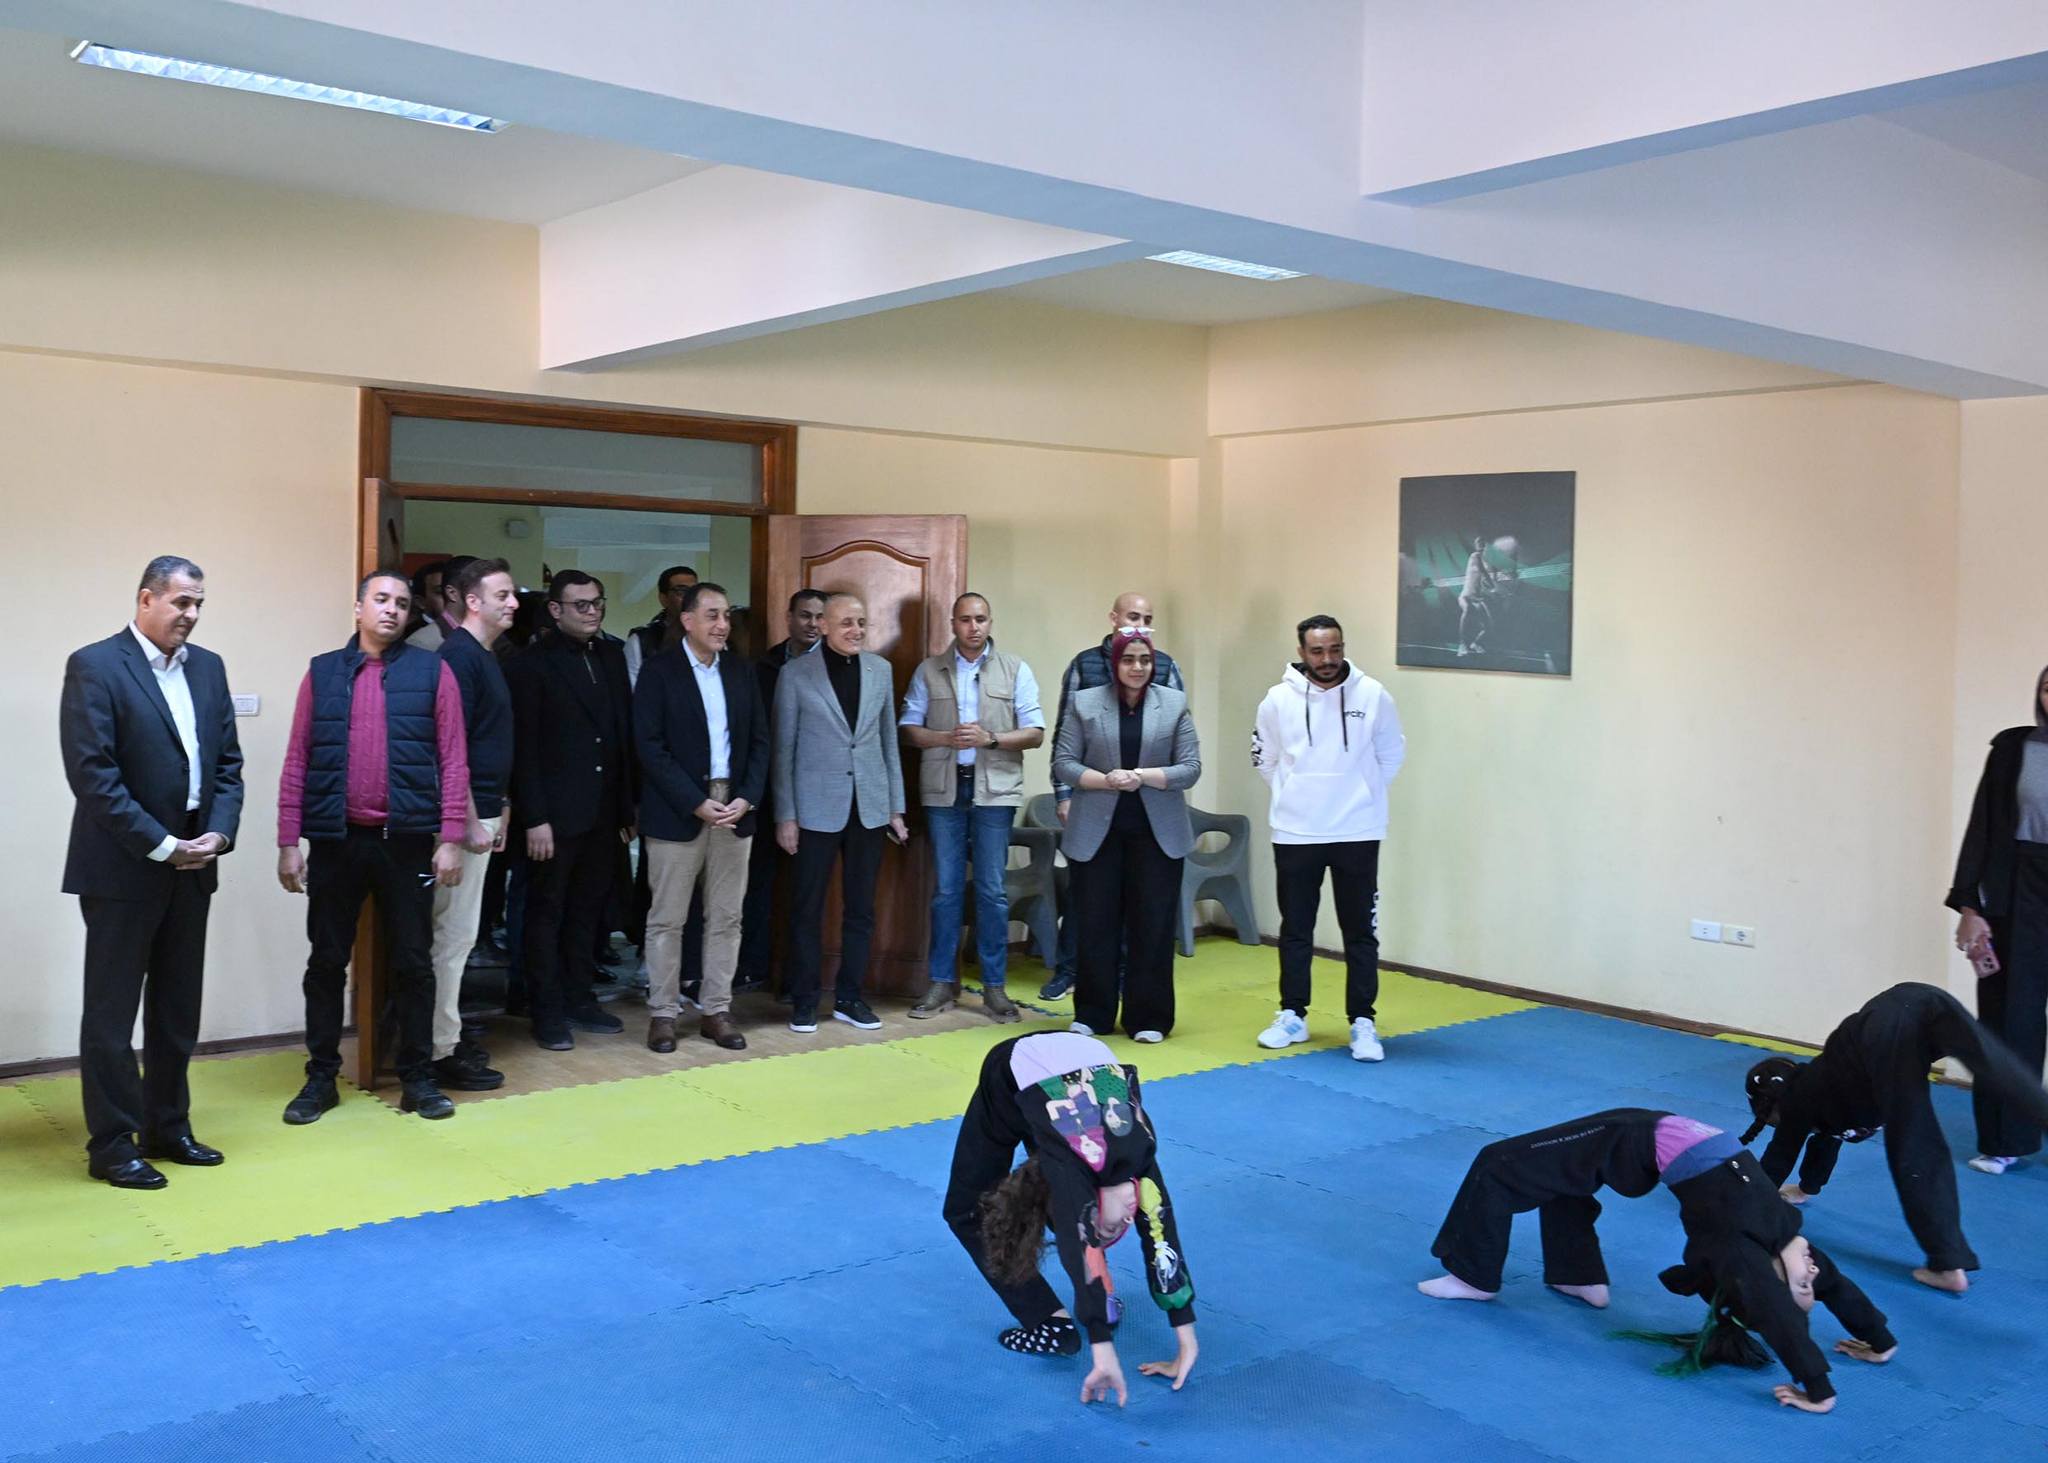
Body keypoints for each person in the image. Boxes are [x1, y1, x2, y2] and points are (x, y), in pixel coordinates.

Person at [1420, 1108, 1899, 1414]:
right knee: (1561, 1173)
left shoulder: (1742, 1256)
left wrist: (1818, 1390)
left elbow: (1778, 1317)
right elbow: (1837, 1288)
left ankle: (1473, 1276)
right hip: (1654, 1140)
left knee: (1497, 1162)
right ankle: (1579, 1276)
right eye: (1812, 1281)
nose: (1811, 1273)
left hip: (1633, 1138)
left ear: (1769, 1282)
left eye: (1802, 1286)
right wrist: (1879, 1341)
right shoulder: (1793, 1246)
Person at [61, 556, 245, 1189]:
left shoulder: (209, 668)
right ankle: (113, 1145)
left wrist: (219, 833)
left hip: (195, 862)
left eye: (199, 604)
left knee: (176, 1008)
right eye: (181, 602)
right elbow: (94, 775)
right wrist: (162, 845)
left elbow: (228, 766)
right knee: (111, 1016)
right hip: (123, 866)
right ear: (146, 599)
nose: (191, 615)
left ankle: (168, 1126)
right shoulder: (95, 665)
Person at [276, 571, 470, 1123]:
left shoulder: (433, 672)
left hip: (405, 844)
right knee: (325, 962)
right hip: (336, 841)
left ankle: (418, 1078)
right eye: (381, 599)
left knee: (413, 962)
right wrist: (288, 840)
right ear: (358, 607)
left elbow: (454, 758)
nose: (391, 610)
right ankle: (320, 1077)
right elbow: (298, 758)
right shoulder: (322, 673)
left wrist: (451, 837)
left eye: (402, 603)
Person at [1740, 981, 2048, 1292]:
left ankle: (1947, 1264)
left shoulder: (1798, 1098)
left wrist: (1745, 1208)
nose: (1776, 1125)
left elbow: (1780, 1157)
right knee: (2001, 1069)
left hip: (1885, 1026)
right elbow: (1825, 1142)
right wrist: (1806, 1189)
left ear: (1773, 1103)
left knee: (1915, 1143)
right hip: (1923, 1000)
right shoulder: (1825, 1096)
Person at [946, 1030, 1198, 1404]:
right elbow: (1076, 1237)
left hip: (1078, 1070)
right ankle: (1049, 1322)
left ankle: (1101, 1296)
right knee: (967, 1210)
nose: (1127, 1222)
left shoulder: (1140, 1162)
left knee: (1070, 1205)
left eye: (1119, 1225)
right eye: (1110, 1228)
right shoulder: (1077, 1175)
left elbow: (1162, 1237)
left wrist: (1185, 1336)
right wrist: (1101, 1347)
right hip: (1014, 1070)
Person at [1251, 615, 1407, 1061]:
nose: (1327, 659)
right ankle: (1292, 1015)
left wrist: (1359, 796)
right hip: (1296, 832)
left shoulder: (1373, 694)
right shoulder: (1277, 700)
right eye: (1317, 651)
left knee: (1360, 932)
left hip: (1358, 831)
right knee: (1296, 929)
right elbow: (1265, 758)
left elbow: (1391, 755)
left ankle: (1362, 1022)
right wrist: (1297, 797)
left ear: (1343, 648)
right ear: (1302, 652)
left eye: (1335, 649)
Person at [634, 581, 769, 1052]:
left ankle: (716, 1009)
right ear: (687, 620)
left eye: (726, 615)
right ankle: (663, 1012)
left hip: (734, 808)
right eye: (712, 615)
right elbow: (649, 746)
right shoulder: (659, 671)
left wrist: (747, 797)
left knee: (727, 917)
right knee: (667, 919)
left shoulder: (741, 671)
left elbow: (760, 742)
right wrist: (694, 801)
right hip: (679, 809)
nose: (722, 624)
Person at [505, 570, 636, 1051]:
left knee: (588, 910)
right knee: (546, 914)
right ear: (556, 610)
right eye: (582, 604)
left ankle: (580, 997)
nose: (593, 611)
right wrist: (534, 818)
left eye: (598, 602)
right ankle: (545, 1009)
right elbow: (524, 749)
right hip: (552, 817)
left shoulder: (611, 656)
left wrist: (627, 808)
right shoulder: (530, 665)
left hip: (602, 812)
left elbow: (621, 735)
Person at [1050, 628, 1200, 1043]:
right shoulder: (1085, 703)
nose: (1138, 667)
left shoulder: (1173, 703)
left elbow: (1190, 768)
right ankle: (1093, 1014)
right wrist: (1106, 780)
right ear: (1115, 663)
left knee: (1152, 926)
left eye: (1145, 660)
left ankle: (1148, 1017)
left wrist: (1142, 776)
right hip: (1097, 832)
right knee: (1096, 923)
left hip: (1157, 834)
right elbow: (1063, 762)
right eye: (1129, 659)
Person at [903, 593, 1044, 1024]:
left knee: (991, 891)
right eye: (965, 619)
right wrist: (944, 738)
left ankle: (995, 988)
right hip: (944, 789)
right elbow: (908, 728)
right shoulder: (929, 670)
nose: (973, 627)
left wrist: (991, 739)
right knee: (946, 891)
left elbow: (1036, 732)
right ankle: (941, 983)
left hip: (995, 791)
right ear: (953, 623)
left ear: (990, 622)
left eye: (980, 619)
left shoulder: (1015, 669)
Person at [772, 592, 908, 1034]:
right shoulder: (796, 674)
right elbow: (783, 749)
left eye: (862, 623)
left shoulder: (880, 670)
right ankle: (805, 1000)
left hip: (869, 808)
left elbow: (888, 743)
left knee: (861, 910)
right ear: (824, 626)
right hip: (814, 809)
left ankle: (851, 997)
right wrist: (786, 815)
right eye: (847, 622)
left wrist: (895, 807)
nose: (856, 630)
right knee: (806, 909)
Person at [1947, 663, 2048, 1175]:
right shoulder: (2013, 749)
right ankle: (2005, 1140)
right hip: (2017, 891)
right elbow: (1981, 830)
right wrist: (1970, 906)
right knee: (2011, 1020)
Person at [425, 558, 518, 1094]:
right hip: (461, 816)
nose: (514, 603)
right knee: (452, 936)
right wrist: (462, 821)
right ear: (473, 601)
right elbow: (448, 745)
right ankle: (439, 1049)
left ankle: (445, 1038)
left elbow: (485, 741)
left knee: (458, 935)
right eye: (503, 595)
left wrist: (498, 803)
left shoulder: (483, 656)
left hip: (481, 807)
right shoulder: (459, 657)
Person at [735, 588, 827, 991]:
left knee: (807, 890)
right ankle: (755, 966)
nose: (812, 624)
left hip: (819, 795)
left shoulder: (837, 666)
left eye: (819, 617)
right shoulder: (764, 666)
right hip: (768, 791)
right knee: (759, 884)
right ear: (789, 618)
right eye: (804, 615)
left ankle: (798, 977)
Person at [623, 564, 697, 689]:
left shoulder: (709, 636)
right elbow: (634, 692)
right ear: (664, 599)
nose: (690, 598)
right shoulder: (642, 641)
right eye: (682, 591)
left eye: (695, 592)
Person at [1457, 536, 1496, 658]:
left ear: (1485, 546)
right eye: (1478, 542)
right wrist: (1492, 584)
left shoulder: (1485, 562)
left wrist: (1491, 586)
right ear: (1475, 545)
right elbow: (1483, 572)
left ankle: (1475, 644)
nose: (1481, 544)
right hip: (1466, 596)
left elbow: (1484, 580)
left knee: (1489, 627)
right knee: (1467, 609)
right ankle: (1462, 645)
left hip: (1478, 599)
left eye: (1483, 543)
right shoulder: (1475, 556)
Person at [405, 558, 452, 651]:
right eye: (440, 592)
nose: (451, 597)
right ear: (420, 602)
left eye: (453, 591)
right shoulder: (412, 638)